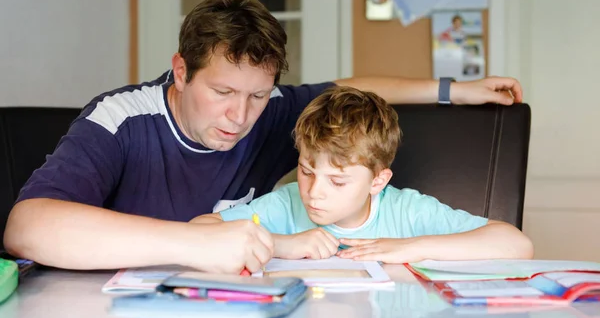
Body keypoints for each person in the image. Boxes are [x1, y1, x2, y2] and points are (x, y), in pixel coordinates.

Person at [4, 0, 524, 274]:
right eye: (223, 93)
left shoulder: (276, 110)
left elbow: (348, 86)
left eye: (257, 95)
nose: (240, 116)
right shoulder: (121, 119)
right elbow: (27, 227)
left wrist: (454, 89)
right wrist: (193, 243)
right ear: (181, 72)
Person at [192, 86, 533, 263]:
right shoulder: (287, 203)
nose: (314, 192)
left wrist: (411, 248)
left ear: (378, 181)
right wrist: (283, 245)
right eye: (307, 171)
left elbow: (517, 244)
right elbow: (198, 231)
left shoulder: (407, 212)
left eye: (337, 181)